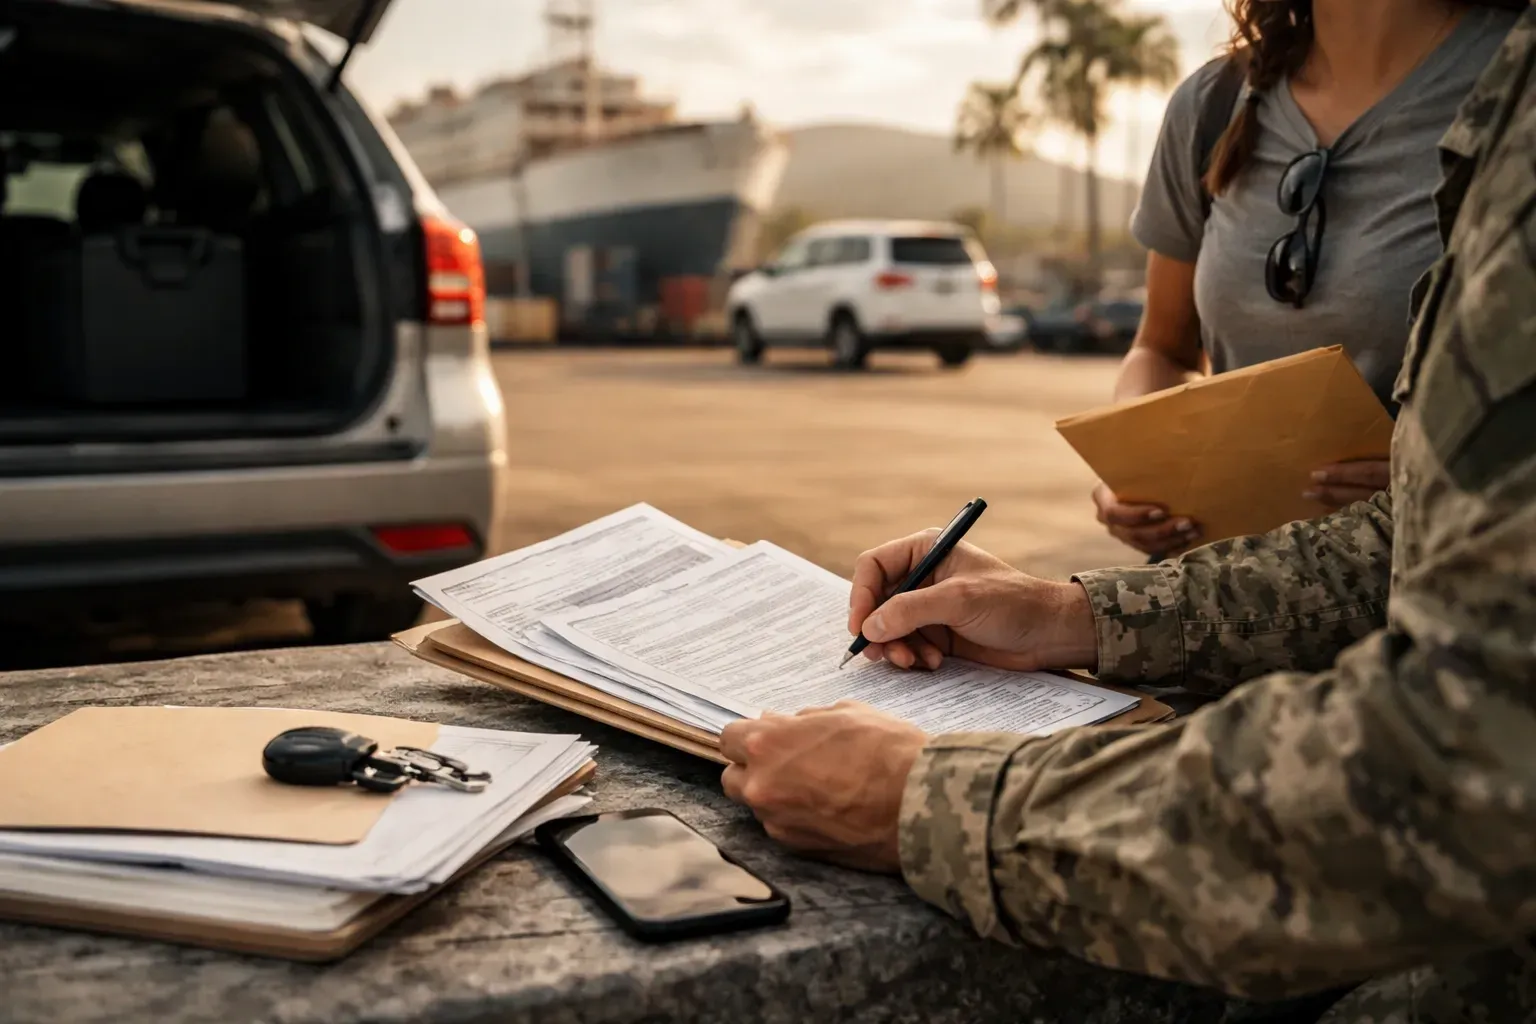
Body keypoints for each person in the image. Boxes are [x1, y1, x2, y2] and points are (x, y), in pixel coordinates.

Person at [717, 9, 1536, 1021]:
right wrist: (1081, 613)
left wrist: (929, 805)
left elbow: (1476, 757)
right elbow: (1401, 549)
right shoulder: (1239, 104)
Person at [1094, 0, 1520, 559]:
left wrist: (1431, 473)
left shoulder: (1517, 85)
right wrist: (1135, 463)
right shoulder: (1212, 103)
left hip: (1427, 600)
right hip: (1213, 597)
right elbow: (1160, 347)